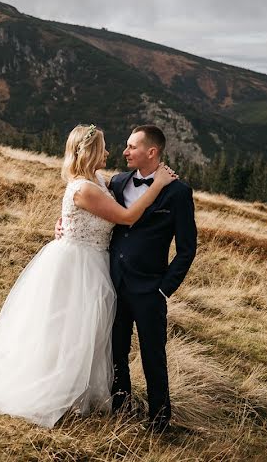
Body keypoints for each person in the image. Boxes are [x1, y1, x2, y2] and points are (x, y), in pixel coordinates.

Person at [0, 124, 177, 428]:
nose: (110, 152)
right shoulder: (85, 188)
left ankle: (86, 394)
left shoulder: (101, 180)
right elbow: (126, 217)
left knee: (89, 333)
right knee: (68, 330)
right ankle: (56, 391)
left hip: (96, 263)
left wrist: (66, 222)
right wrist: (157, 185)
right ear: (91, 151)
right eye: (104, 147)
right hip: (77, 266)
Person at [107, 125, 197, 431]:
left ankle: (159, 420)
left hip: (150, 290)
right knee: (115, 350)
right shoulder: (117, 182)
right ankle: (119, 405)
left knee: (153, 356)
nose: (125, 151)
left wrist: (164, 289)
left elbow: (187, 249)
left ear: (151, 152)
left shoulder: (178, 192)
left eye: (132, 147)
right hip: (114, 283)